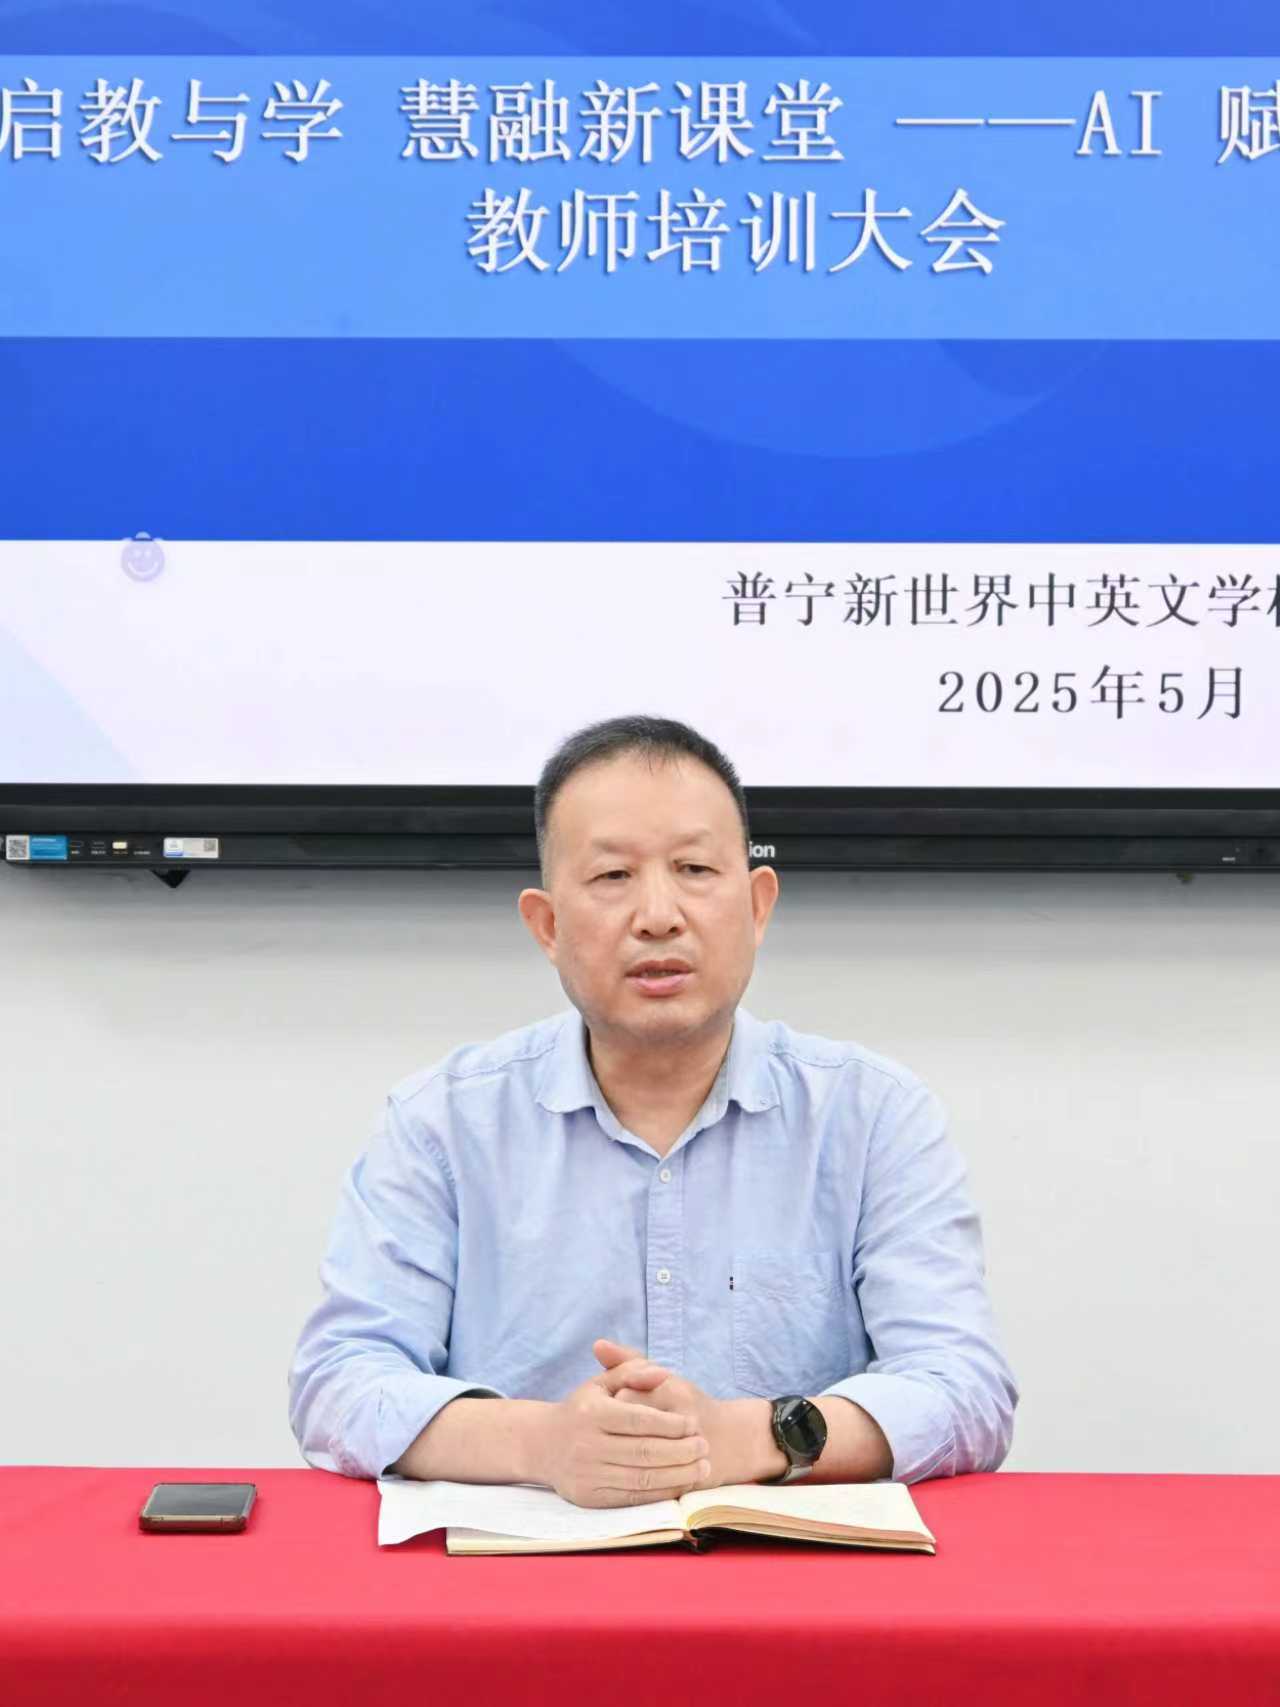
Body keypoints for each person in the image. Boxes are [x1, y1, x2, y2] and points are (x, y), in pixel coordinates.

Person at [288, 715, 1018, 1506]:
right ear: (547, 925)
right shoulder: (443, 1123)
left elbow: (964, 1388)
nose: (659, 914)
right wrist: (542, 1442)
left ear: (758, 905)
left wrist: (752, 1436)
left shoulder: (872, 1117)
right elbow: (339, 1381)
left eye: (695, 868)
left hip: (787, 1573)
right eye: (613, 876)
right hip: (521, 1571)